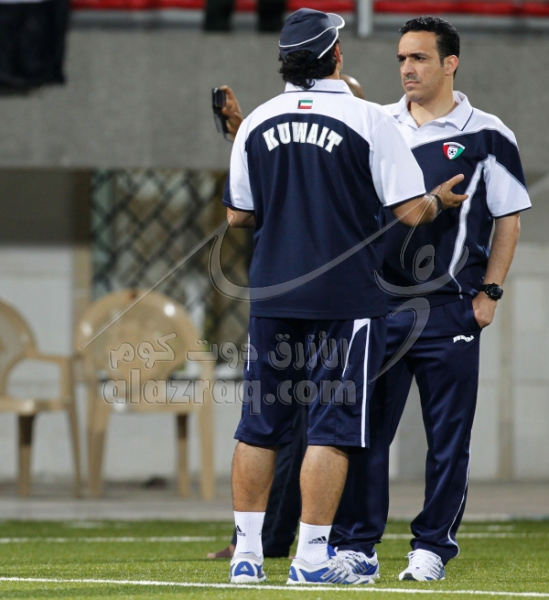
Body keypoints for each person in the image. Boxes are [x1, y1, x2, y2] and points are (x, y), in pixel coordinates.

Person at [222, 7, 468, 586]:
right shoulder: (369, 119)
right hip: (346, 301)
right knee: (331, 430)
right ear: (336, 54)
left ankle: (246, 557)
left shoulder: (257, 122)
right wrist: (438, 201)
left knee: (258, 426)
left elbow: (237, 215)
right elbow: (410, 212)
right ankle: (310, 559)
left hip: (272, 297)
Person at [330, 16, 532, 582]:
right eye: (401, 58)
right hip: (379, 308)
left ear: (450, 63)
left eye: (418, 58)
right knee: (365, 434)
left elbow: (509, 220)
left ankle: (432, 548)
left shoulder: (490, 134)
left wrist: (490, 293)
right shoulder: (376, 125)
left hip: (452, 309)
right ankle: (358, 548)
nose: (407, 69)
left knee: (448, 440)